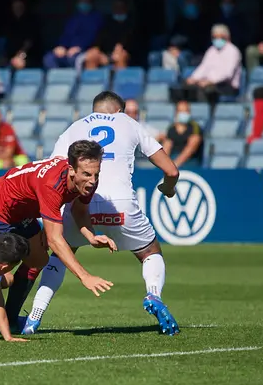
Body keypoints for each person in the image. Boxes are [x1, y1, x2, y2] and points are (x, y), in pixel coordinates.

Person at [22, 91, 180, 336]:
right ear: (119, 111)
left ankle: (34, 317)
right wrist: (167, 189)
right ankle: (154, 295)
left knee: (61, 255)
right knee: (149, 251)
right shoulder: (129, 123)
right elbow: (171, 171)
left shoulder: (74, 128)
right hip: (120, 205)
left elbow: (54, 170)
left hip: (79, 201)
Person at [0, 140, 116, 331]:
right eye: (87, 174)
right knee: (2, 278)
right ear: (72, 170)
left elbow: (80, 211)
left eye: (96, 174)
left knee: (39, 259)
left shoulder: (87, 182)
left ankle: (10, 321)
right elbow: (55, 239)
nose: (92, 180)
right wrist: (85, 276)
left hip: (21, 215)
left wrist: (91, 237)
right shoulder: (51, 184)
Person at [171, 24, 241, 105]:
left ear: (227, 37)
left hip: (227, 86)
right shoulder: (211, 50)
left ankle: (204, 114)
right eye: (215, 37)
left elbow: (227, 74)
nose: (217, 40)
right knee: (184, 86)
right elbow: (203, 67)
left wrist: (210, 81)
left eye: (220, 37)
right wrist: (194, 78)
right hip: (208, 83)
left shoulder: (233, 51)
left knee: (205, 89)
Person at [43, 0, 103, 69]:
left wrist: (79, 47)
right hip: (67, 50)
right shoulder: (73, 18)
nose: (83, 3)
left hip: (84, 51)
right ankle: (58, 79)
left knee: (73, 59)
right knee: (49, 58)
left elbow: (94, 37)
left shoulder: (96, 18)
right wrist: (62, 46)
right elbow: (66, 35)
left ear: (91, 3)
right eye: (81, 1)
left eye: (86, 1)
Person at [162, 101, 203, 168]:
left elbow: (191, 148)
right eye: (180, 111)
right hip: (173, 158)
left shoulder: (195, 127)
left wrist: (176, 164)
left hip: (190, 161)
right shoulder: (171, 128)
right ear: (176, 113)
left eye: (185, 111)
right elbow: (167, 147)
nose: (183, 114)